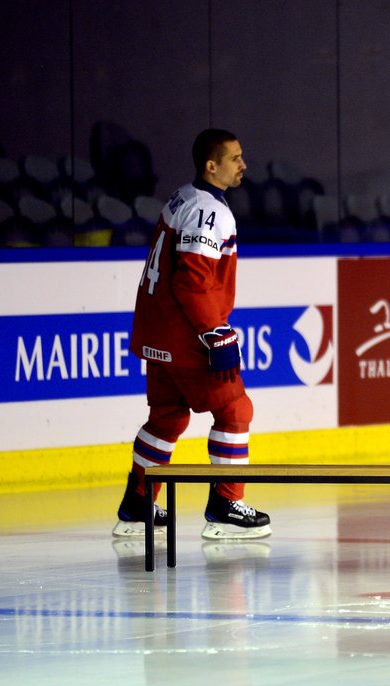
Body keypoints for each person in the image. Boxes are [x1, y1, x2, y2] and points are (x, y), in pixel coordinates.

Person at [112, 128, 271, 541]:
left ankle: (136, 503)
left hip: (159, 333)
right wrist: (215, 333)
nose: (244, 165)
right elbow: (192, 282)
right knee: (236, 410)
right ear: (211, 165)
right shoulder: (210, 212)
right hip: (186, 338)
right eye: (235, 158)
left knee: (167, 417)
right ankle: (225, 503)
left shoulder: (183, 196)